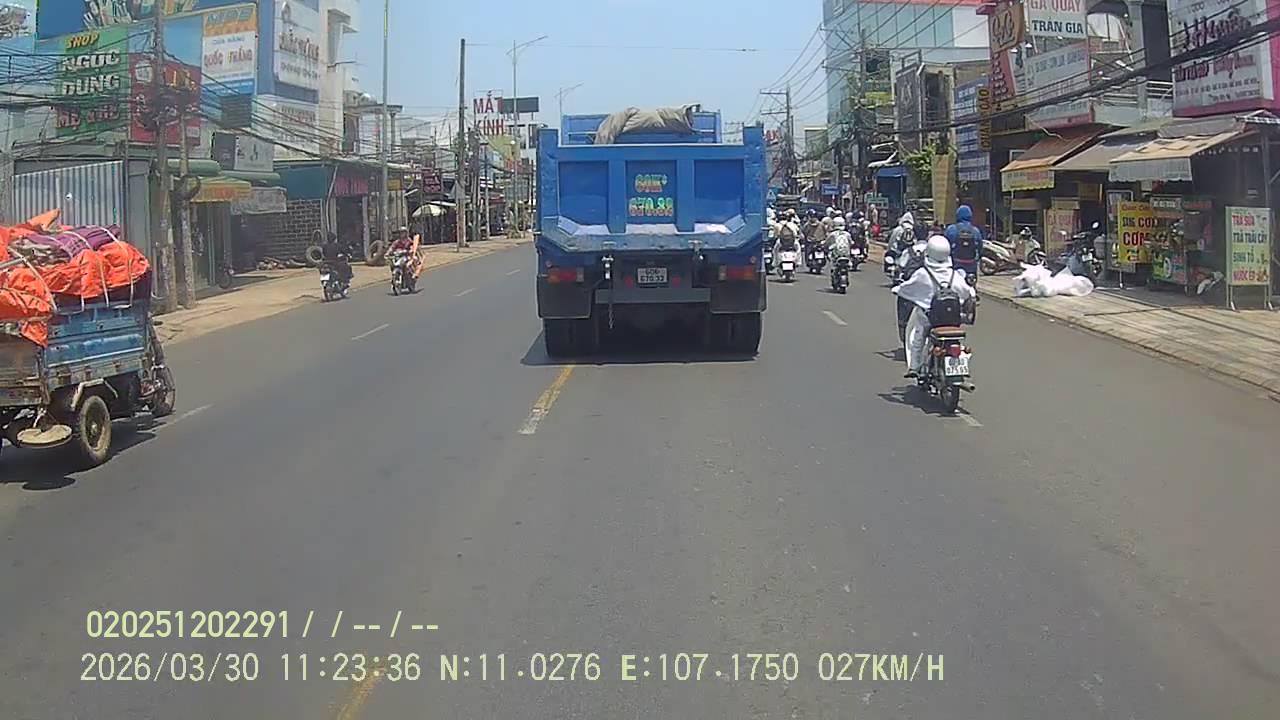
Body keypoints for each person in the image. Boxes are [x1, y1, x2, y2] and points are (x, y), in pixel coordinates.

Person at [892, 235, 976, 378]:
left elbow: (907, 288)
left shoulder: (922, 274)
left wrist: (897, 289)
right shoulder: (954, 274)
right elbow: (967, 291)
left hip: (930, 318)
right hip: (952, 319)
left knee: (917, 337)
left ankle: (914, 367)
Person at [945, 204, 985, 279]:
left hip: (956, 263)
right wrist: (977, 258)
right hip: (971, 263)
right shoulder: (975, 230)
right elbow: (980, 246)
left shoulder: (951, 229)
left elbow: (945, 246)